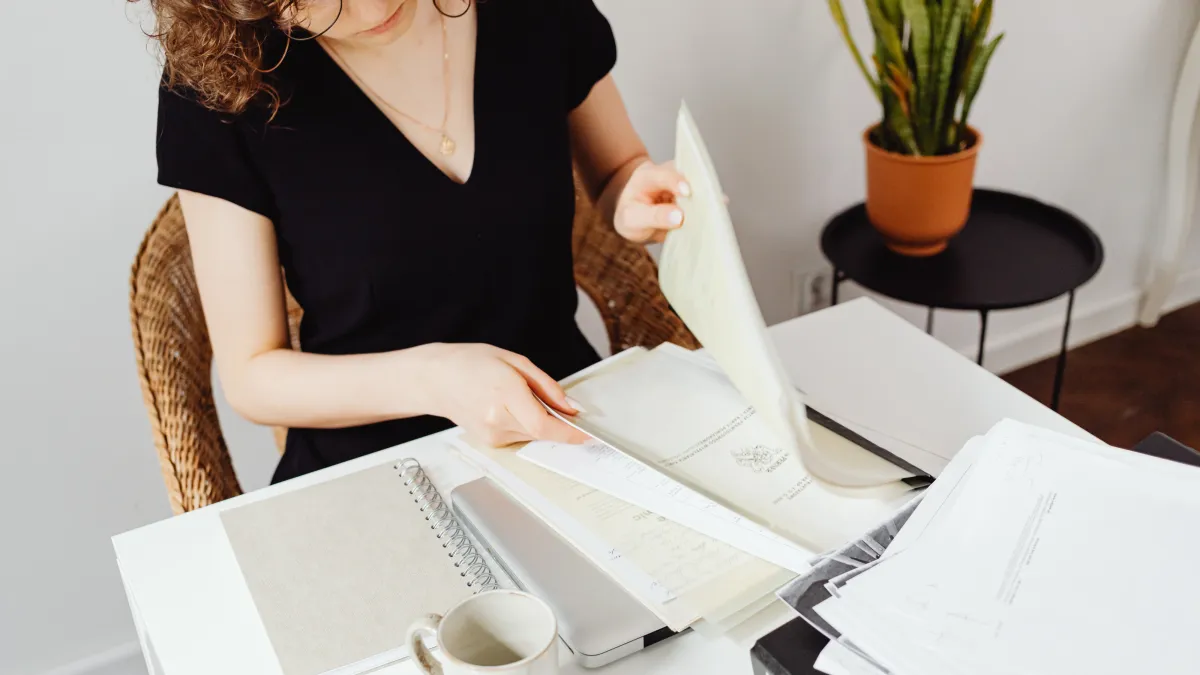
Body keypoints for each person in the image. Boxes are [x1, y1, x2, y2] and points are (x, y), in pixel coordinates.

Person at [138, 0, 690, 483]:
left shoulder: (537, 9)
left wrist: (634, 192)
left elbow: (617, 170)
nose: (377, 9)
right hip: (376, 466)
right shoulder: (220, 82)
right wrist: (433, 379)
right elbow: (252, 376)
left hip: (566, 421)